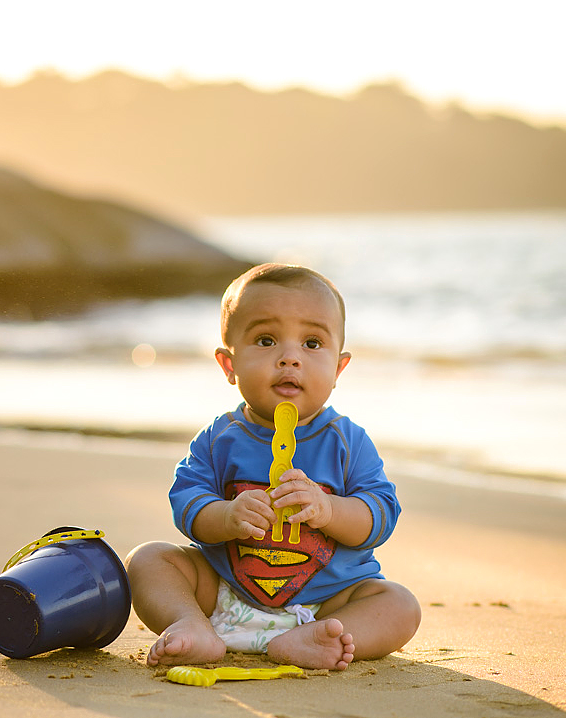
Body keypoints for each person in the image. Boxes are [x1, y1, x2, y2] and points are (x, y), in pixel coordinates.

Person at [126, 263, 420, 670]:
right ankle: (191, 625)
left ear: (338, 368)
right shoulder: (219, 438)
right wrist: (225, 515)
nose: (289, 358)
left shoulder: (347, 441)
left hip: (325, 605)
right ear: (229, 366)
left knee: (400, 605)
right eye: (266, 340)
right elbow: (187, 503)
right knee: (149, 560)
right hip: (224, 593)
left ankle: (306, 641)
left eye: (312, 343)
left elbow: (381, 515)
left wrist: (330, 510)